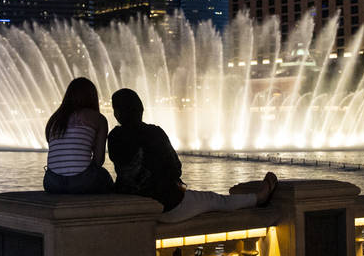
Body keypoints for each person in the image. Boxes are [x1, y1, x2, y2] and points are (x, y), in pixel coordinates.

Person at [107, 88, 278, 222]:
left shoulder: (114, 137)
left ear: (117, 114)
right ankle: (258, 198)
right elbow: (176, 169)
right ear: (141, 109)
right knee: (215, 200)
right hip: (169, 206)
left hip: (133, 205)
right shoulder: (154, 133)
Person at [43, 77, 114, 194]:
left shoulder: (55, 119)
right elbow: (98, 161)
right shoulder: (98, 119)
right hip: (82, 182)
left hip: (51, 182)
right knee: (104, 175)